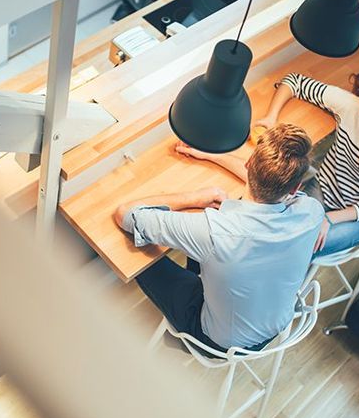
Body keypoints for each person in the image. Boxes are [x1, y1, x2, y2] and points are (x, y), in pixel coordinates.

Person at [114, 124, 323, 353]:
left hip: (220, 343)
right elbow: (271, 185)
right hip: (274, 325)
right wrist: (208, 154)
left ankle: (184, 340)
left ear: (248, 163)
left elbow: (126, 214)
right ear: (295, 189)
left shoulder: (215, 232)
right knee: (204, 252)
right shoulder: (312, 211)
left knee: (138, 253)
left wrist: (194, 198)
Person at [188, 60, 359, 256]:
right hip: (319, 191)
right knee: (266, 184)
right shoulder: (352, 107)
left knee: (293, 246)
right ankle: (211, 154)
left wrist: (327, 218)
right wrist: (271, 117)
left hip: (355, 217)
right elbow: (294, 82)